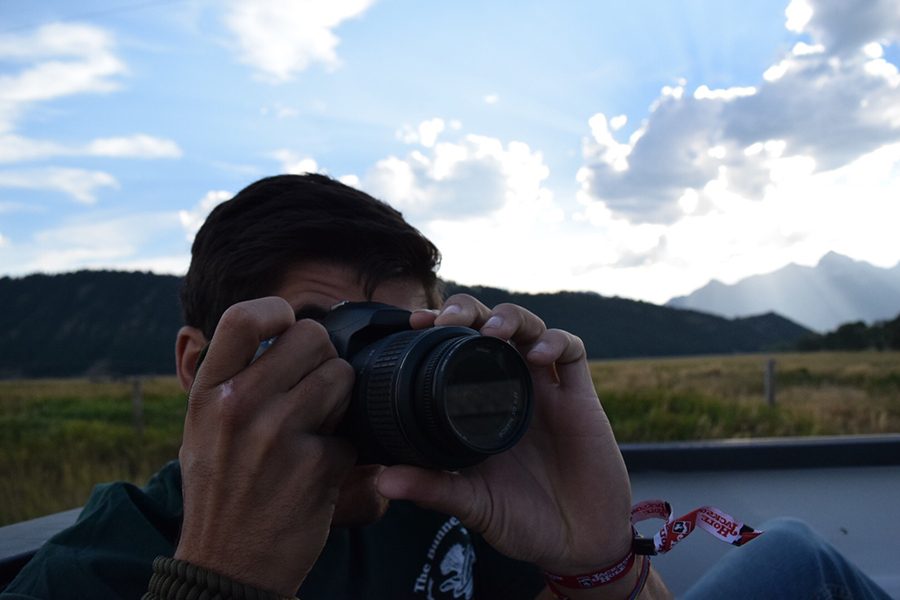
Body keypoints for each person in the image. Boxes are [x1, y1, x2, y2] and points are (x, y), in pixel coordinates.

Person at [2, 175, 890, 600]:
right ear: (201, 368)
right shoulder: (91, 574)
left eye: (399, 341)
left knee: (798, 553)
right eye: (323, 341)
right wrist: (222, 580)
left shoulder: (447, 491)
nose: (360, 380)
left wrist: (599, 563)